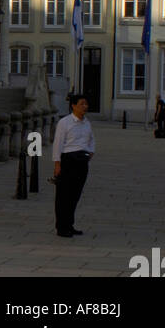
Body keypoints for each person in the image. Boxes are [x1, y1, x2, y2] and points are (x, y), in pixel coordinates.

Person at [52, 93, 95, 236]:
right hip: (68, 159)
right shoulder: (65, 122)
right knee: (64, 195)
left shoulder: (86, 123)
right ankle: (61, 226)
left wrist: (90, 152)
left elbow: (91, 139)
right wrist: (57, 164)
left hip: (82, 160)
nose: (85, 107)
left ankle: (69, 224)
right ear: (74, 106)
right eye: (82, 104)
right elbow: (58, 143)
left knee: (75, 195)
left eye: (86, 104)